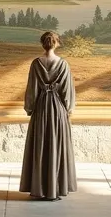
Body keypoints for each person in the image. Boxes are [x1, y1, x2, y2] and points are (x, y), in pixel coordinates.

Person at [19, 30, 77, 201]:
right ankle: (55, 189)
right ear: (57, 43)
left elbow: (32, 89)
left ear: (42, 44)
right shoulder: (63, 64)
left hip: (41, 109)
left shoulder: (36, 63)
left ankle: (39, 188)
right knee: (56, 147)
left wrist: (30, 108)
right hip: (58, 109)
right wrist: (68, 109)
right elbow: (67, 92)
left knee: (41, 147)